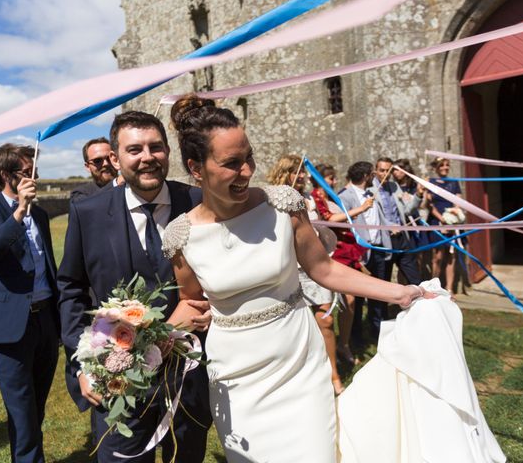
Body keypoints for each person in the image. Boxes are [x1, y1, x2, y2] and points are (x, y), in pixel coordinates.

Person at [161, 95, 434, 463]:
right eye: (231, 163)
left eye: (249, 158)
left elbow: (325, 269)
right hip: (235, 378)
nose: (246, 172)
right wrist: (149, 342)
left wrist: (400, 292)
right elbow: (190, 302)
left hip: (298, 363)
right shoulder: (181, 236)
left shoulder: (283, 205)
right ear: (196, 169)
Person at [57, 111, 212, 463]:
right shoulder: (88, 212)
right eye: (135, 149)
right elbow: (71, 289)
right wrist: (82, 366)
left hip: (187, 379)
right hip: (117, 381)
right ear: (115, 158)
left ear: (168, 152)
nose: (147, 158)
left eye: (156, 147)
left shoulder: (198, 201)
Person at [0, 143, 60, 463]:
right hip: (9, 325)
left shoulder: (43, 214)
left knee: (36, 408)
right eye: (28, 172)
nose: (36, 176)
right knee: (22, 411)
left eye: (36, 170)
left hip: (46, 319)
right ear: (7, 175)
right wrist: (18, 211)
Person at [266, 154, 343, 394]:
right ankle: (300, 376)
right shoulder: (273, 200)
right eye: (296, 172)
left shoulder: (310, 199)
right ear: (284, 172)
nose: (302, 176)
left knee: (326, 320)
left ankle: (334, 375)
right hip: (291, 269)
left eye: (303, 173)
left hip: (315, 266)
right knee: (294, 325)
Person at [310, 164, 371, 364]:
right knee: (330, 307)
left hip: (346, 251)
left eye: (334, 178)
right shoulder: (314, 198)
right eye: (330, 178)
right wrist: (360, 209)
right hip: (330, 253)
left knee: (350, 301)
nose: (334, 182)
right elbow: (329, 219)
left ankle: (343, 343)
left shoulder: (331, 197)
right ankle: (326, 350)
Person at [338, 161, 390, 340]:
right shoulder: (345, 196)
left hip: (378, 249)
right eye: (373, 174)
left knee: (380, 292)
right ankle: (356, 335)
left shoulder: (372, 193)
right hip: (359, 253)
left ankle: (378, 332)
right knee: (359, 297)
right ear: (366, 176)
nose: (375, 177)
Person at [371, 157, 423, 287]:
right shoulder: (370, 189)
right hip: (384, 240)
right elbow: (373, 217)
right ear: (375, 171)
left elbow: (407, 210)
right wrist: (389, 226)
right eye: (381, 170)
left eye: (388, 171)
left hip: (401, 238)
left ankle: (422, 305)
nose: (385, 174)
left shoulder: (394, 186)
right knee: (384, 281)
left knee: (415, 278)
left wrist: (418, 196)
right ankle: (382, 307)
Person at [427, 157, 466, 294]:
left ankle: (449, 288)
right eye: (441, 165)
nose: (445, 167)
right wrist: (441, 219)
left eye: (447, 165)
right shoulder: (430, 182)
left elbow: (457, 201)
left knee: (451, 255)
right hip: (437, 221)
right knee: (437, 256)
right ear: (436, 167)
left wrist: (453, 216)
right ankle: (434, 286)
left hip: (451, 221)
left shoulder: (454, 183)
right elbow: (429, 204)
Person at [70, 137, 119, 201]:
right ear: (88, 167)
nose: (106, 163)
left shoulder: (131, 188)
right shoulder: (79, 195)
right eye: (97, 160)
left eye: (109, 158)